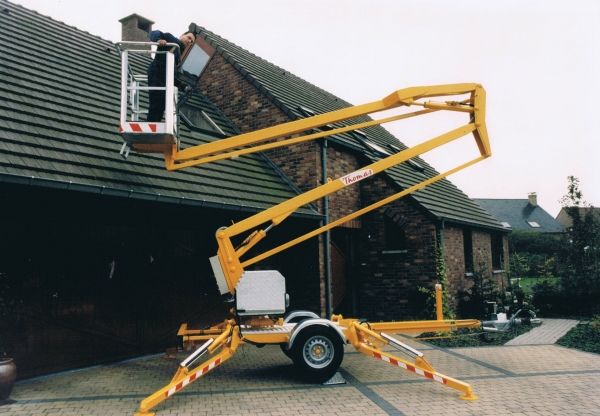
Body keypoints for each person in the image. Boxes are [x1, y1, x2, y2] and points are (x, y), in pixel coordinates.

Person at [146, 30, 196, 122]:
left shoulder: (178, 53)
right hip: (157, 73)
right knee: (156, 105)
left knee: (160, 107)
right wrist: (159, 40)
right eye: (189, 38)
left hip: (163, 77)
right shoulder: (171, 38)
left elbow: (171, 74)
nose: (189, 41)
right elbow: (154, 33)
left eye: (191, 42)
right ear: (182, 35)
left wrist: (182, 86)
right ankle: (151, 126)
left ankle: (153, 127)